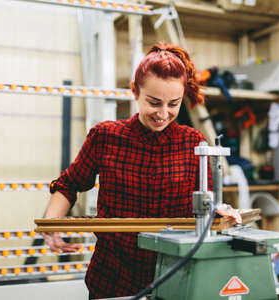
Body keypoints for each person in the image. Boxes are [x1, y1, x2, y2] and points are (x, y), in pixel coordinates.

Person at [41, 41, 211, 299]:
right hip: (112, 278)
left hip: (174, 277)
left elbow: (207, 205)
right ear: (135, 91)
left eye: (173, 104)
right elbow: (68, 184)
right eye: (154, 102)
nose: (163, 114)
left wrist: (220, 211)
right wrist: (51, 223)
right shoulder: (106, 136)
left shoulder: (194, 143)